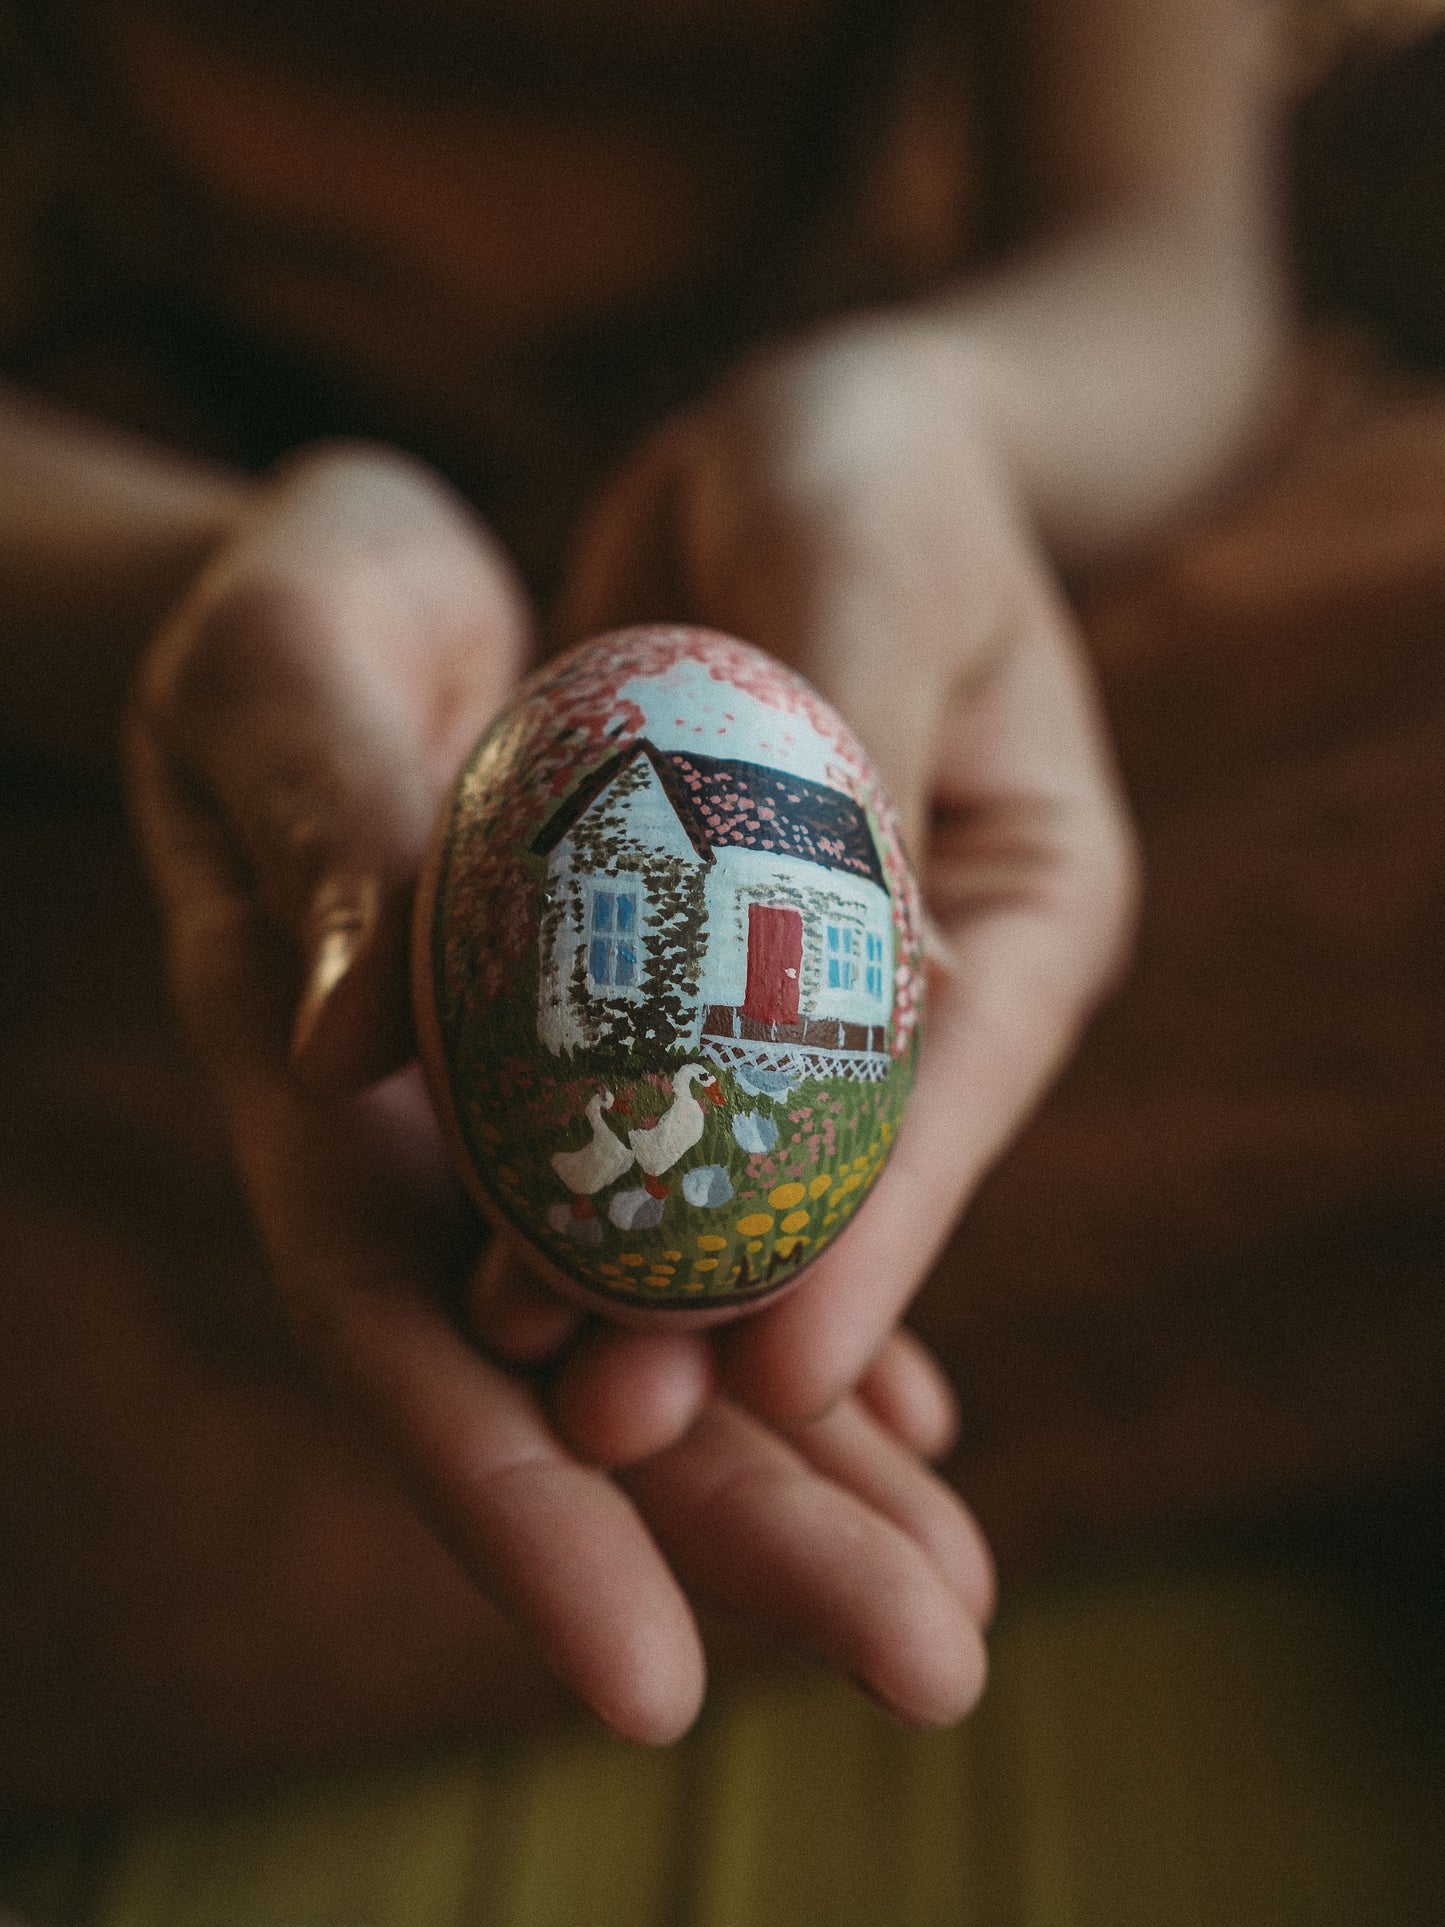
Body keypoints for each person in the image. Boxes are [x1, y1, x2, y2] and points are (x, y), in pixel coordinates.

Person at [0, 0, 1280, 1801]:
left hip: (888, 546)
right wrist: (186, 596)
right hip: (183, 580)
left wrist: (935, 420)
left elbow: (1169, 260)